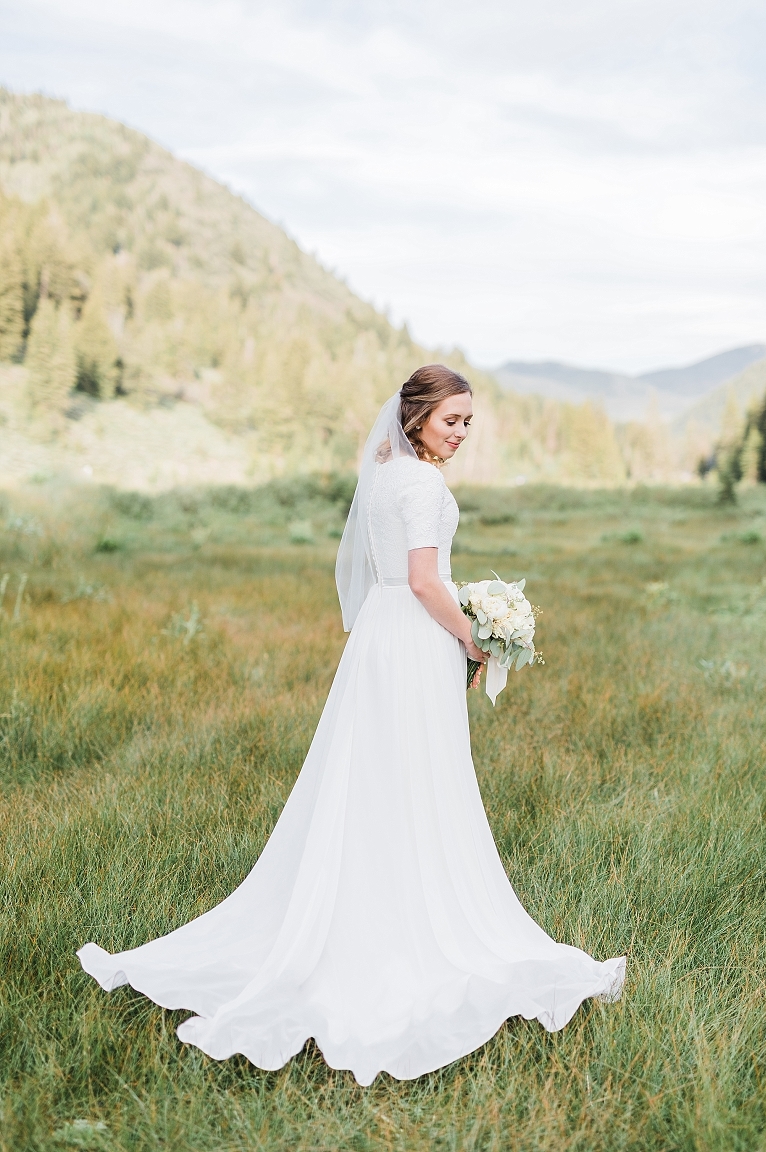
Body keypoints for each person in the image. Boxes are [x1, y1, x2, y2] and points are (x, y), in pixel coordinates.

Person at [78, 364, 625, 1086]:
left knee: (377, 772)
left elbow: (394, 573)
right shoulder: (422, 483)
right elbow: (426, 580)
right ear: (417, 415)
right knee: (410, 774)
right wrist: (472, 635)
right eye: (451, 420)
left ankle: (369, 900)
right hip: (416, 634)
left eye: (468, 422)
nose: (460, 433)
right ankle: (403, 921)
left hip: (379, 636)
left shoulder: (382, 471)